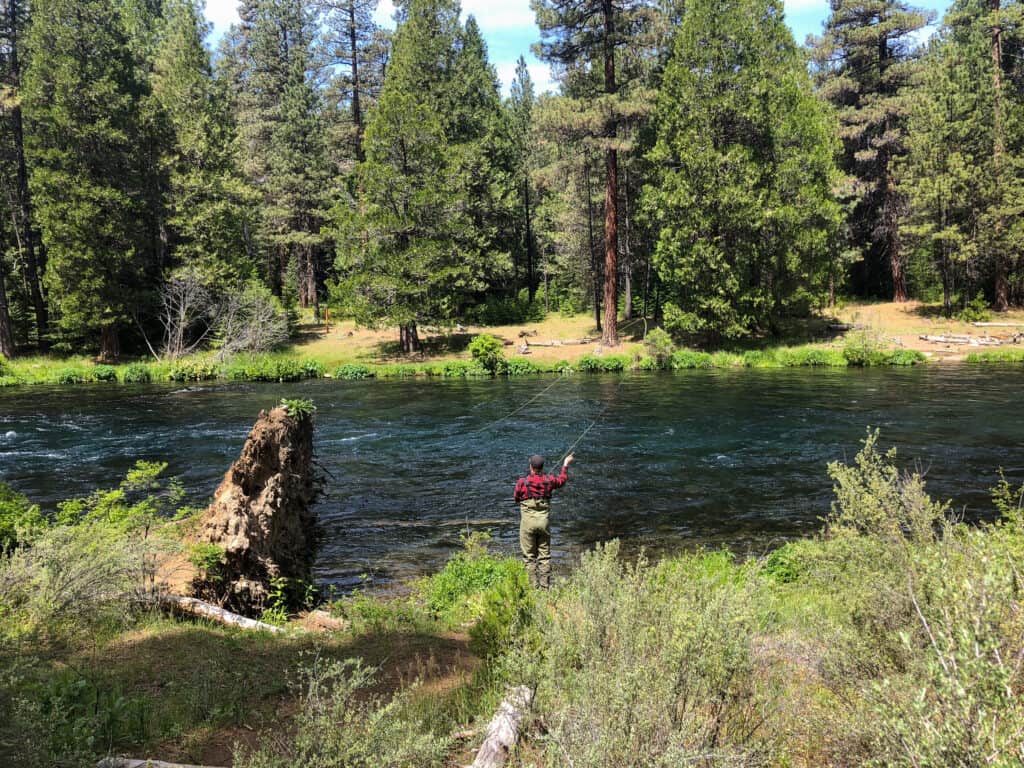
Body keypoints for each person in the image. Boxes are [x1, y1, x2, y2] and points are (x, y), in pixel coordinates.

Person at [513, 452, 574, 589]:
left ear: (530, 467)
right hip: (544, 523)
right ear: (542, 467)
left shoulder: (522, 482)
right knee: (544, 556)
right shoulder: (550, 480)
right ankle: (545, 588)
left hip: (527, 524)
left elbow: (516, 498)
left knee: (529, 557)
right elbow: (562, 480)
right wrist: (565, 464)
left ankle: (533, 587)